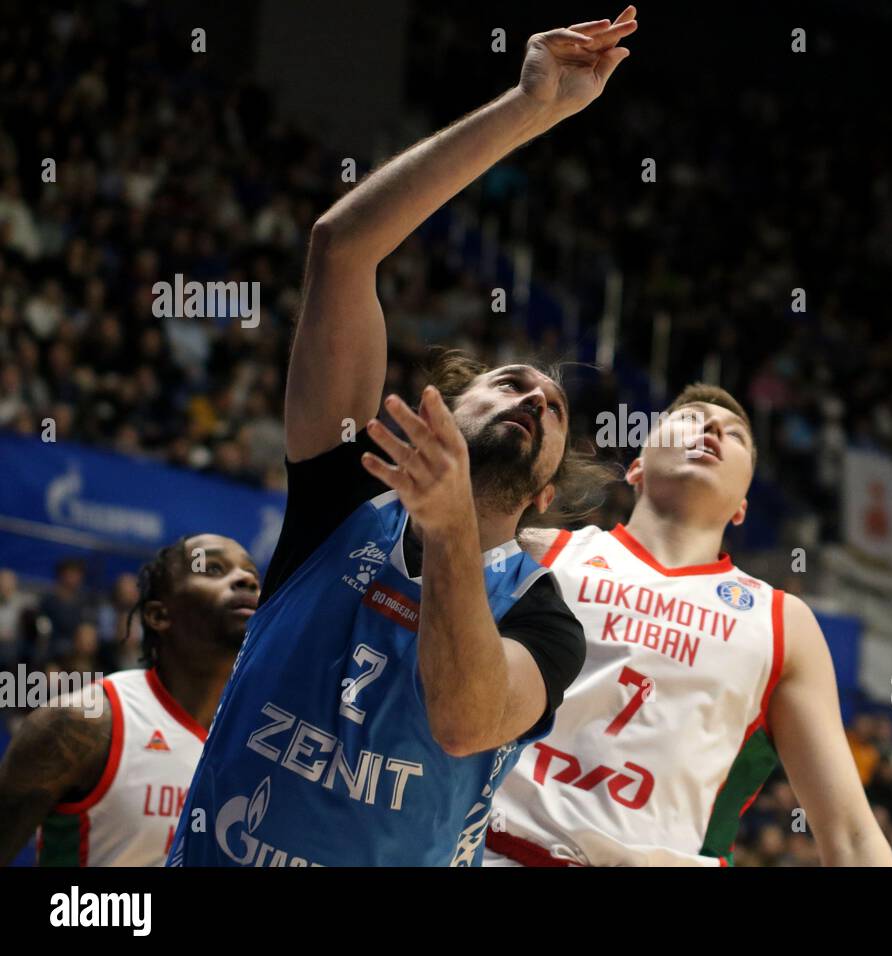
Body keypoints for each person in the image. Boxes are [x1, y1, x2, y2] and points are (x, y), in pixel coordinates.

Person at [168, 9, 636, 867]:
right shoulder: (342, 490)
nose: (534, 388)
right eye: (506, 380)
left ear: (541, 496)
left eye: (554, 409)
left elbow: (464, 721)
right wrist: (530, 107)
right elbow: (341, 249)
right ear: (440, 413)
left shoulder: (543, 615)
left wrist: (454, 523)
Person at [486, 385, 892, 865]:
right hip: (493, 848)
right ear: (637, 467)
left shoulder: (782, 622)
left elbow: (849, 832)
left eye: (737, 434)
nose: (713, 428)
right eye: (691, 418)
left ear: (742, 504)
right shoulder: (538, 551)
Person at [0, 534, 259, 866]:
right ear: (157, 616)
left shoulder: (263, 739)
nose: (247, 579)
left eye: (252, 573)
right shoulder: (84, 722)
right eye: (212, 569)